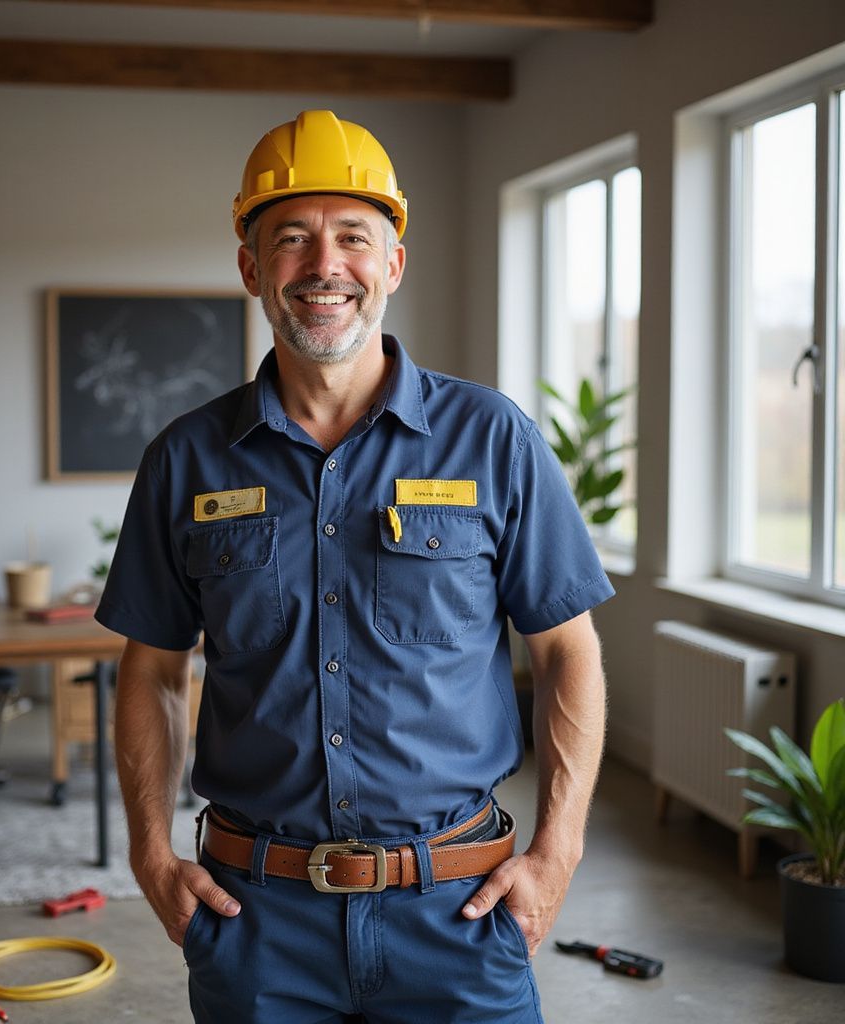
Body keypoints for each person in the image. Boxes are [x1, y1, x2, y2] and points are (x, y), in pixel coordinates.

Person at [96, 109, 613, 1024]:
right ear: (253, 267)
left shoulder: (492, 440)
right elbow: (153, 670)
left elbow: (568, 650)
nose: (323, 266)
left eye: (353, 238)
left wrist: (558, 848)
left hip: (457, 910)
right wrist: (149, 851)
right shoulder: (185, 459)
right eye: (290, 239)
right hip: (257, 920)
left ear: (392, 265)